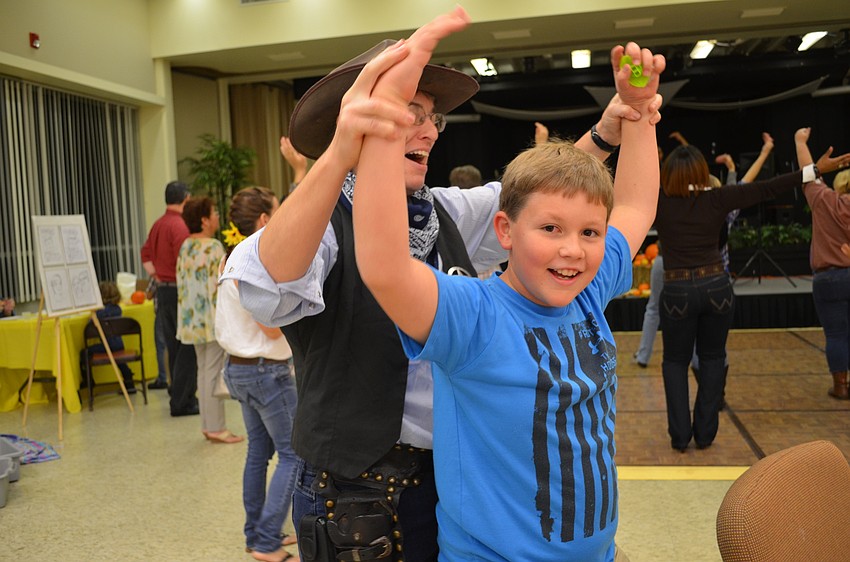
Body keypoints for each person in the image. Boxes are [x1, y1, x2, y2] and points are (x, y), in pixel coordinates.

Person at [221, 7, 662, 560]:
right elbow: (268, 280)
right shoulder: (324, 222)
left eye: (432, 117)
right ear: (357, 119)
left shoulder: (441, 210)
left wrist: (612, 131)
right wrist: (344, 151)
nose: (429, 129)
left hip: (440, 483)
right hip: (356, 494)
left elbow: (535, 202)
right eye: (410, 111)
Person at [353, 11, 663, 558]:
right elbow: (383, 265)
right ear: (505, 231)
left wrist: (638, 116)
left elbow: (635, 205)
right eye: (550, 229)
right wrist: (385, 124)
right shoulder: (472, 317)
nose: (573, 248)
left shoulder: (585, 291)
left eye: (590, 231)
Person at [653, 138, 842, 453]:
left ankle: (680, 436)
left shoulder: (658, 202)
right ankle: (705, 432)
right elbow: (768, 187)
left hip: (677, 290)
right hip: (717, 286)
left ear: (667, 174)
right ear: (702, 172)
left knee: (675, 361)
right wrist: (813, 170)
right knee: (713, 357)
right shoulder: (718, 198)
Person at [215, 187, 299, 561]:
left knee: (259, 452)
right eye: (277, 211)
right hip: (266, 373)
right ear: (264, 220)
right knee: (294, 454)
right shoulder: (256, 261)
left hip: (239, 368)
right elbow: (271, 328)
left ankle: (257, 534)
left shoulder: (230, 258)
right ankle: (266, 541)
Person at [176, 196, 240, 436]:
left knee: (203, 371)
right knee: (212, 372)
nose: (217, 216)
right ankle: (216, 428)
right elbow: (220, 283)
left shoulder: (185, 246)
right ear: (203, 220)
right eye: (213, 212)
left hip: (192, 320)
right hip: (211, 319)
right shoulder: (212, 247)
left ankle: (207, 425)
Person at [794, 129, 850, 400]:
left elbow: (808, 173)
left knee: (836, 334)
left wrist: (800, 142)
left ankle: (840, 385)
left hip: (828, 279)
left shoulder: (825, 201)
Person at [141, 181, 195, 392]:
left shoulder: (158, 224)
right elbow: (184, 259)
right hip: (178, 289)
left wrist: (156, 273)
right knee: (184, 346)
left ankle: (175, 387)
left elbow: (145, 252)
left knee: (172, 344)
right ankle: (183, 393)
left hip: (162, 289)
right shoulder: (179, 225)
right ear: (186, 198)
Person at [79, 280, 137, 394]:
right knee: (119, 360)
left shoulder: (100, 313)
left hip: (108, 345)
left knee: (84, 353)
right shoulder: (118, 309)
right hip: (119, 344)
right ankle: (129, 380)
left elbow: (90, 323)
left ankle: (88, 380)